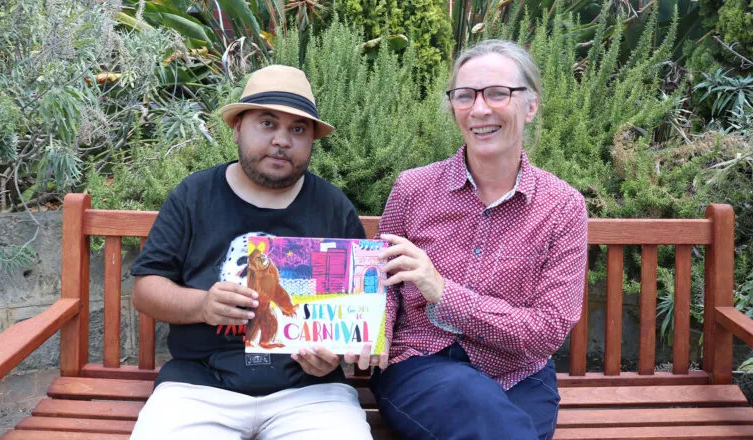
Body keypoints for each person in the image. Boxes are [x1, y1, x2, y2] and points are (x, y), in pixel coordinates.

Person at [129, 65, 374, 440]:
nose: (282, 140)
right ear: (237, 128)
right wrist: (201, 305)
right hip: (199, 386)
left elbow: (355, 311)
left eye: (297, 129)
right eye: (267, 123)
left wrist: (334, 356)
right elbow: (146, 290)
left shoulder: (332, 207)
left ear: (311, 141)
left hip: (310, 392)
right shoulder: (193, 196)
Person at [369, 40, 589, 440]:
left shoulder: (563, 207)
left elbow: (548, 330)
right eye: (465, 96)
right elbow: (382, 283)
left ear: (531, 105)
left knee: (499, 427)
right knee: (488, 418)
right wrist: (375, 335)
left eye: (498, 93)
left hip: (519, 372)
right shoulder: (413, 189)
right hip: (422, 361)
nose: (480, 109)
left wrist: (443, 292)